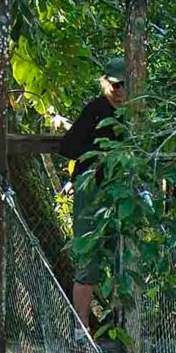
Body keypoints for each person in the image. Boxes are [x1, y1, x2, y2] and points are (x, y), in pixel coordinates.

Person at [59, 60, 125, 333]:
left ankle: (119, 325)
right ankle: (81, 330)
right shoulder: (95, 110)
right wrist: (101, 155)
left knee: (123, 258)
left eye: (125, 84)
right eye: (115, 84)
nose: (119, 90)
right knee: (87, 258)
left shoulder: (137, 113)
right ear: (105, 83)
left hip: (121, 193)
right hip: (92, 191)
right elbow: (69, 146)